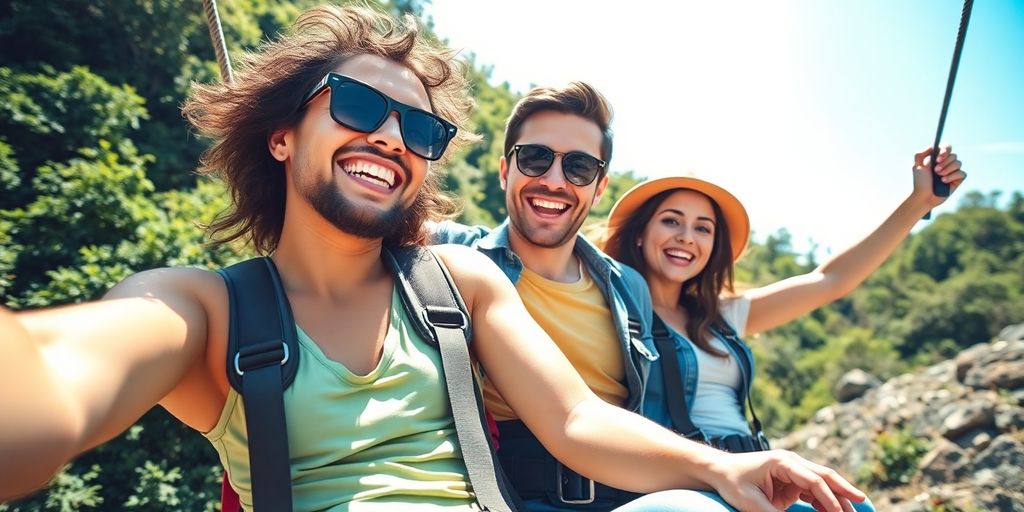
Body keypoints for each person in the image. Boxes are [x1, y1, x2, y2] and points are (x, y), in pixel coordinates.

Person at [0, 6, 868, 511]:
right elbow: (52, 375)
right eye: (353, 104)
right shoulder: (206, 310)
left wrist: (727, 468)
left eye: (417, 127)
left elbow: (574, 421)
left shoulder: (461, 284)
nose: (387, 136)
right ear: (279, 135)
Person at [431, 83, 863, 512]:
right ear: (505, 170)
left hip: (637, 493)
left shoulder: (627, 289)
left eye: (579, 168)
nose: (554, 180)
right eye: (535, 158)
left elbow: (827, 281)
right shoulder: (454, 254)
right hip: (515, 493)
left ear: (599, 189)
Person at [600, 147, 965, 512]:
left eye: (703, 228)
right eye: (670, 221)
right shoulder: (615, 308)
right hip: (684, 482)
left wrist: (919, 201)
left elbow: (830, 279)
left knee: (856, 506)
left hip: (754, 472)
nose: (687, 237)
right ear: (639, 233)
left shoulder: (724, 316)